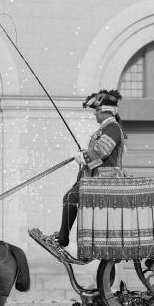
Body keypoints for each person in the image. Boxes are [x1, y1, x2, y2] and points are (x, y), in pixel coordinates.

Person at [42, 89, 126, 249]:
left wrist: (82, 157)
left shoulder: (112, 128)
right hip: (97, 178)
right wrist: (83, 157)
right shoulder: (106, 128)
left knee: (70, 197)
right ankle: (66, 237)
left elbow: (101, 152)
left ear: (104, 111)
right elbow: (100, 160)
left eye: (96, 111)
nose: (95, 114)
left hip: (106, 181)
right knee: (71, 196)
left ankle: (63, 239)